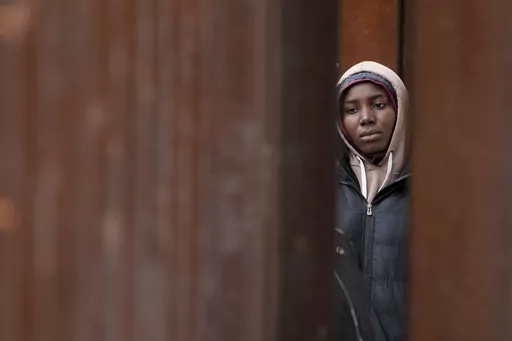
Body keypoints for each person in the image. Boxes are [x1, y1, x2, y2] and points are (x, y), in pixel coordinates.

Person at [334, 61, 410, 341]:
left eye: (379, 105)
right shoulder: (325, 192)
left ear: (400, 109)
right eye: (352, 110)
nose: (366, 118)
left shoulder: (431, 193)